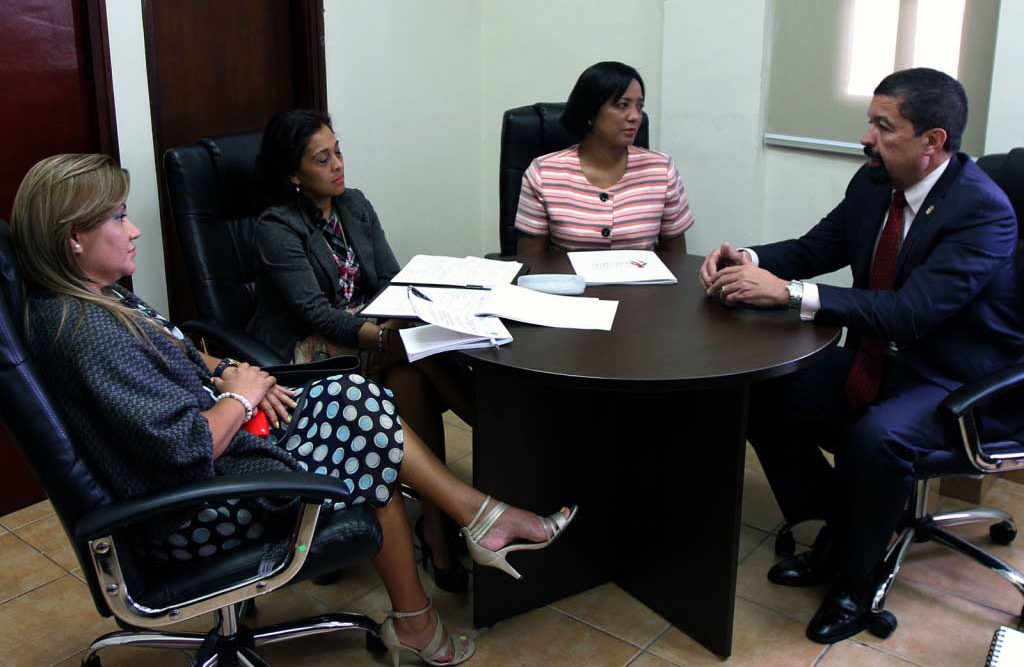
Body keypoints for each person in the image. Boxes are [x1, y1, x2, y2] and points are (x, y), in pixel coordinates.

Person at [11, 153, 577, 667]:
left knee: (356, 403)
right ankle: (462, 551)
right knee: (366, 435)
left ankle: (462, 550)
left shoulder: (99, 295)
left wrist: (224, 372)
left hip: (217, 462)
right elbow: (187, 448)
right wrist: (241, 396)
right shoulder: (88, 333)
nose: (134, 229)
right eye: (117, 218)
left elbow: (177, 349)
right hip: (191, 511)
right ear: (74, 238)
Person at [698, 68, 1024, 644]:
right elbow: (814, 248)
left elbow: (911, 313)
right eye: (870, 121)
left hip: (958, 383)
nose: (866, 138)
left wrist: (789, 294)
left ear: (933, 141)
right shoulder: (876, 181)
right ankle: (842, 528)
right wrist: (747, 259)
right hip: (880, 360)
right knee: (756, 387)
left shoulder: (982, 211)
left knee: (878, 439)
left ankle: (855, 581)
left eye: (884, 126)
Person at [246, 110, 474, 592]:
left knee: (411, 375)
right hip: (307, 354)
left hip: (369, 334)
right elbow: (316, 313)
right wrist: (387, 336)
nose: (337, 165)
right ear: (293, 174)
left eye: (338, 151)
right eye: (321, 158)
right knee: (416, 352)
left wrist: (397, 320)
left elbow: (391, 279)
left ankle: (436, 528)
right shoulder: (276, 226)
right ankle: (480, 417)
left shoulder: (354, 205)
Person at [514, 61, 694, 253]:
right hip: (568, 273)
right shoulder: (544, 173)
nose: (635, 116)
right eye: (622, 105)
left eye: (639, 106)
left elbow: (676, 259)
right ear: (590, 111)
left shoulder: (661, 170)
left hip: (640, 274)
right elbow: (532, 262)